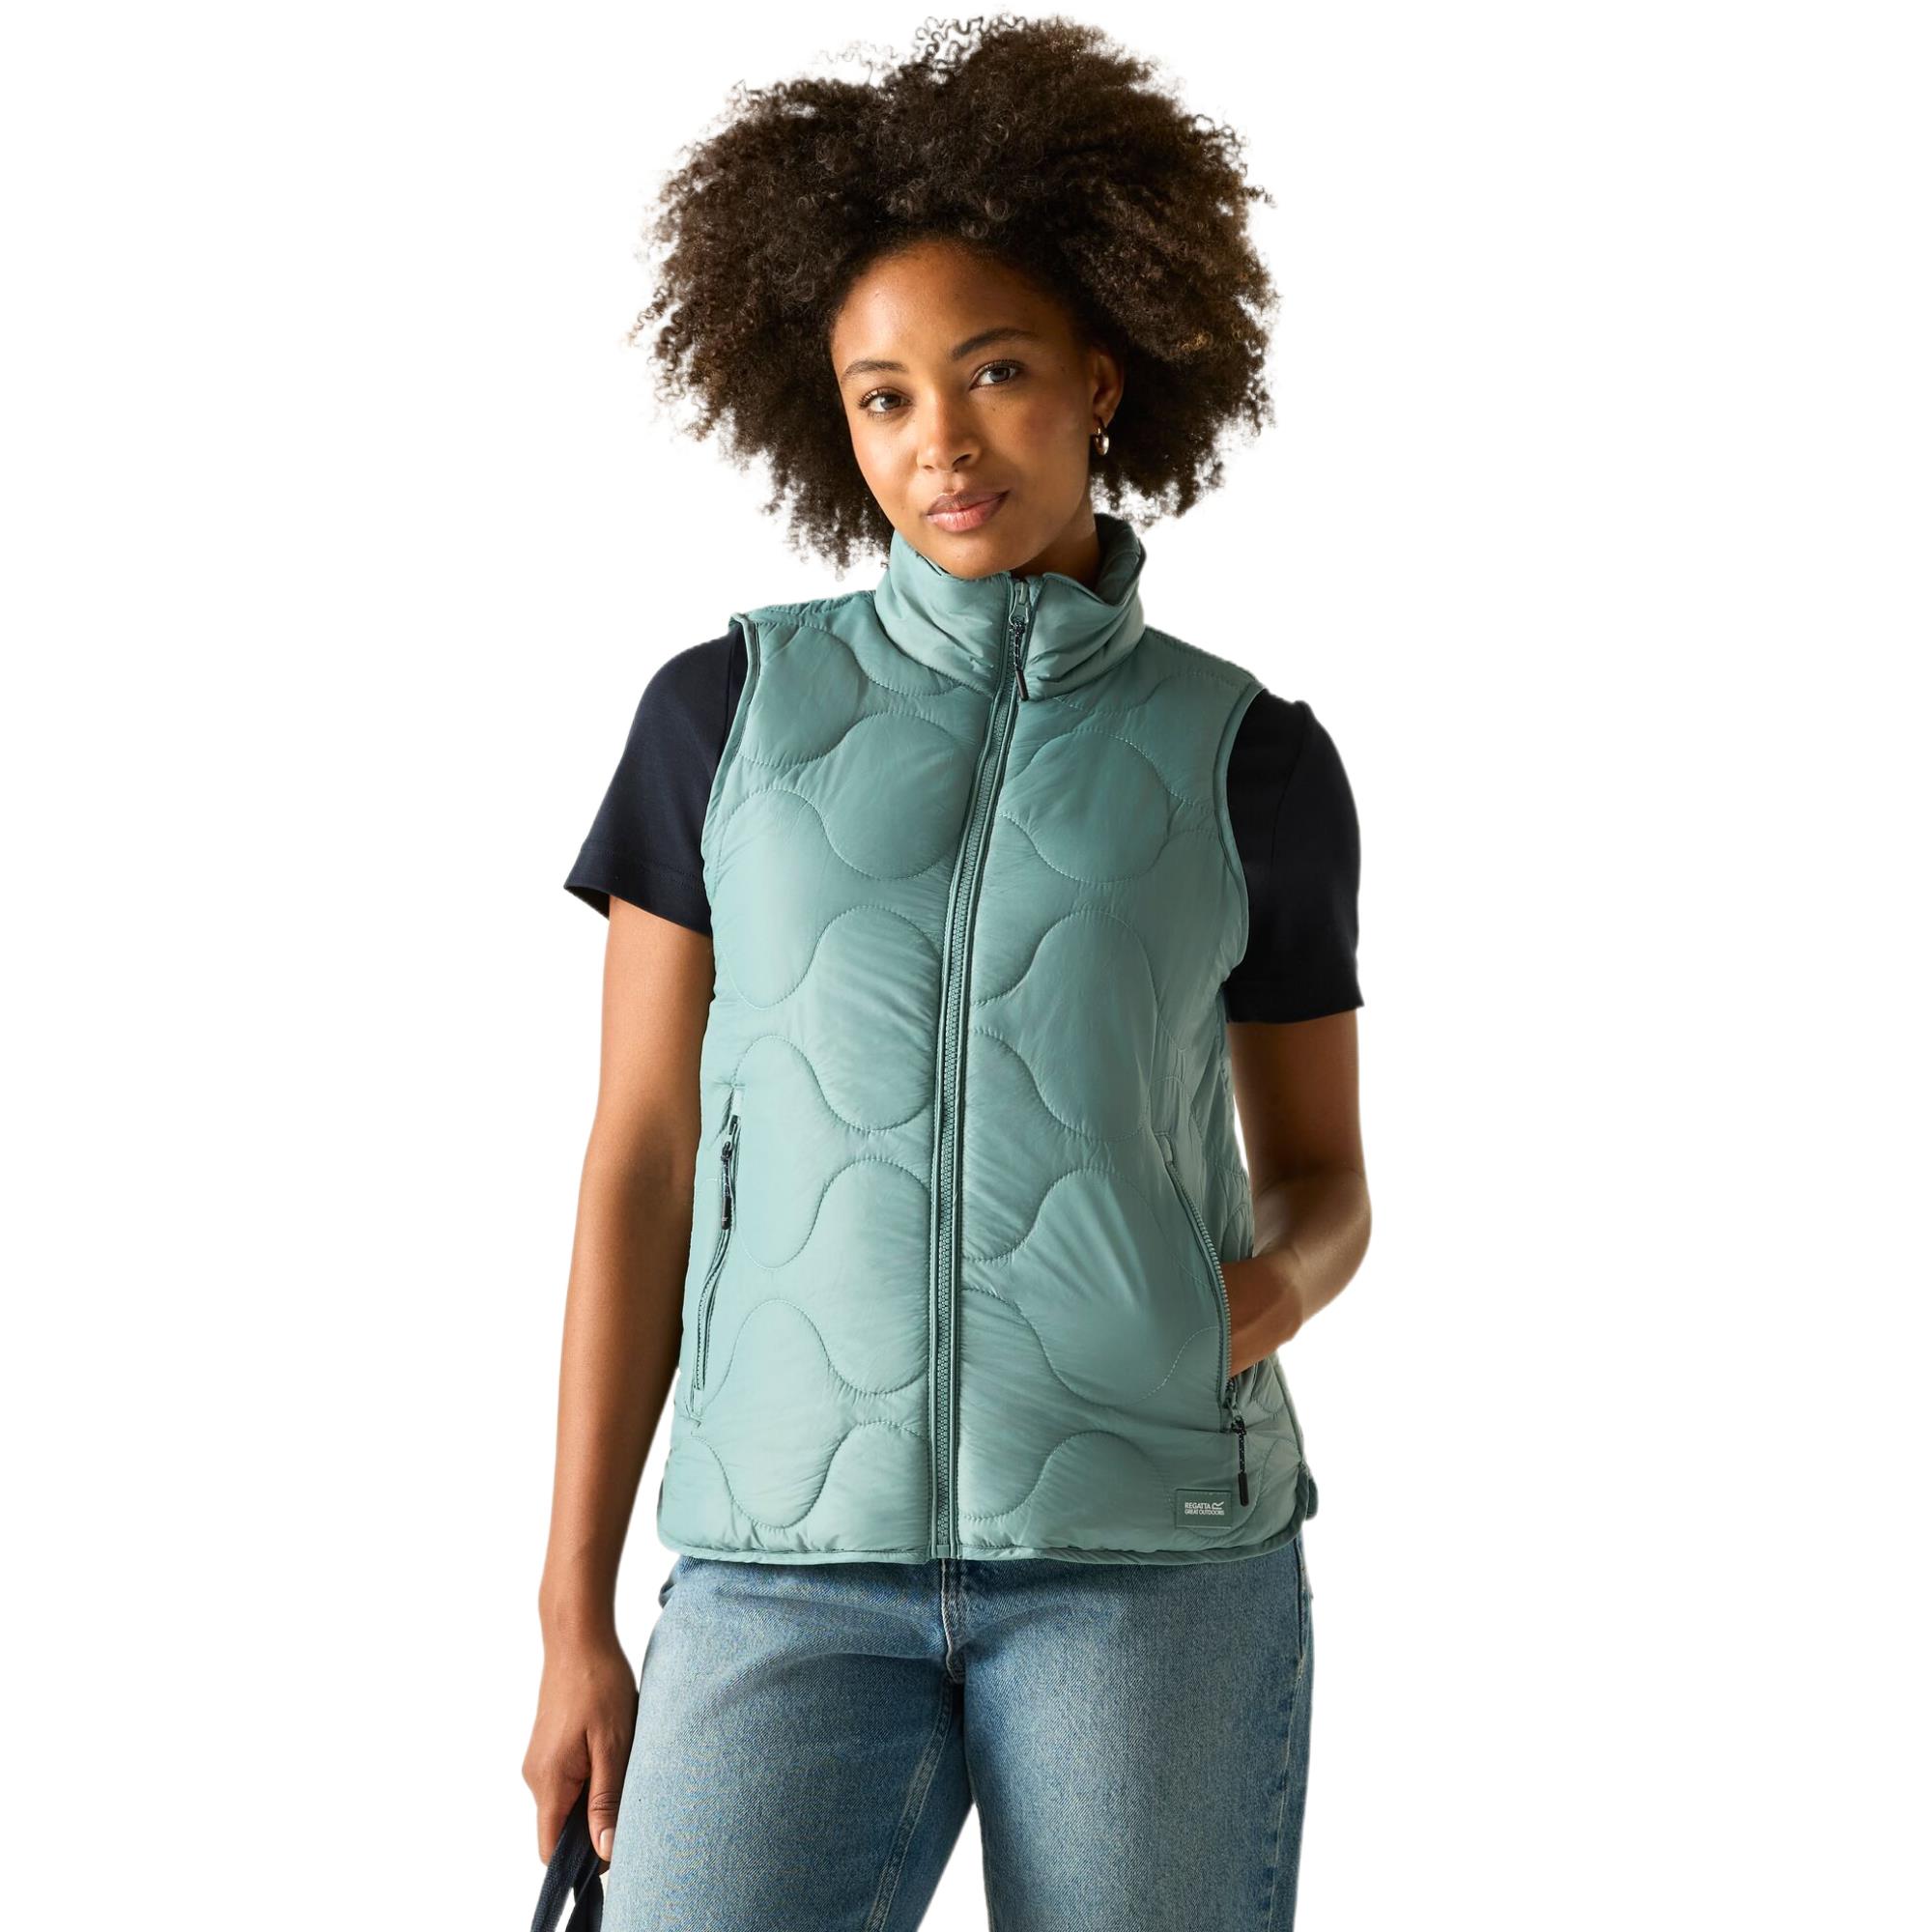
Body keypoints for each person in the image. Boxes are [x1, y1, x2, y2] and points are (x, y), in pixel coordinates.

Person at [523, 18, 1372, 1930]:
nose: (943, 442)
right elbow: (639, 1157)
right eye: (884, 397)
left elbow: (1327, 1177)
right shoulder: (722, 717)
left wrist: (1242, 1303)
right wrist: (575, 1611)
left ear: (1101, 377)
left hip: (1151, 1561)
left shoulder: (1250, 758)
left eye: (993, 372)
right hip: (779, 1565)